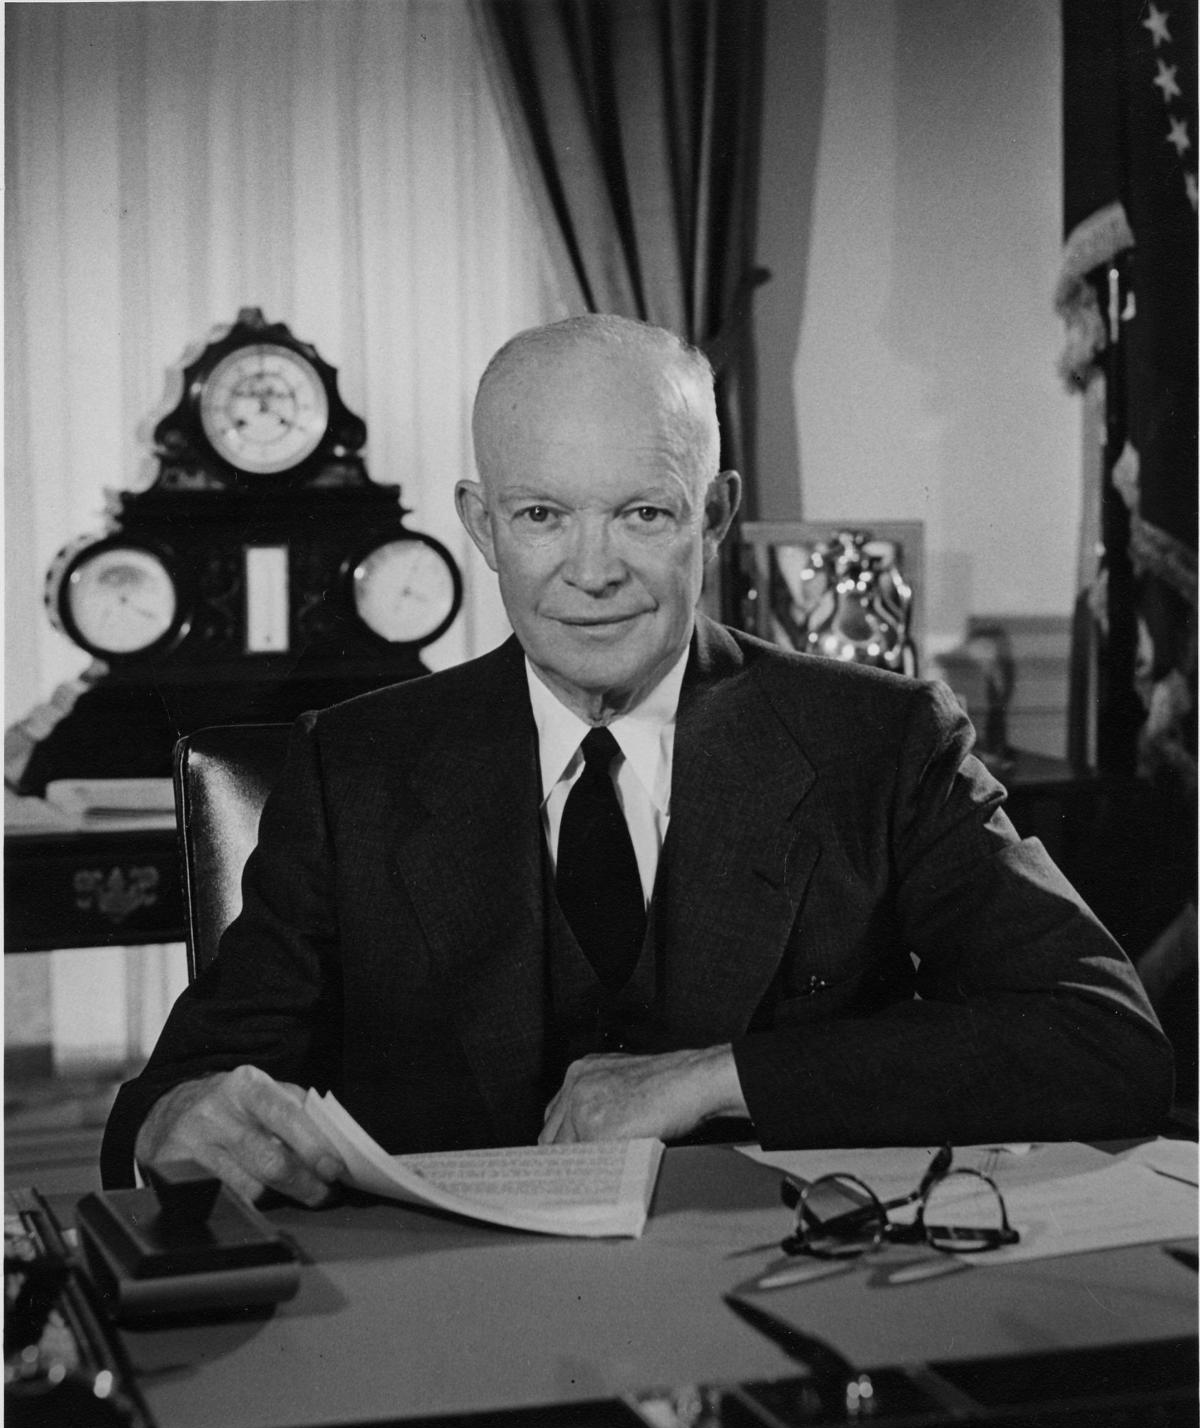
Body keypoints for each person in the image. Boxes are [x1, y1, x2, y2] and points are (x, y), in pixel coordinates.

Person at [101, 314, 1172, 1205]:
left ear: (714, 515)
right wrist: (176, 1121)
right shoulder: (353, 768)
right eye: (542, 516)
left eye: (643, 513)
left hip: (771, 1306)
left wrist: (719, 1076)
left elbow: (1108, 1041)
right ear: (481, 526)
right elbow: (173, 1096)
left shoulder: (879, 741)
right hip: (446, 1331)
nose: (593, 569)